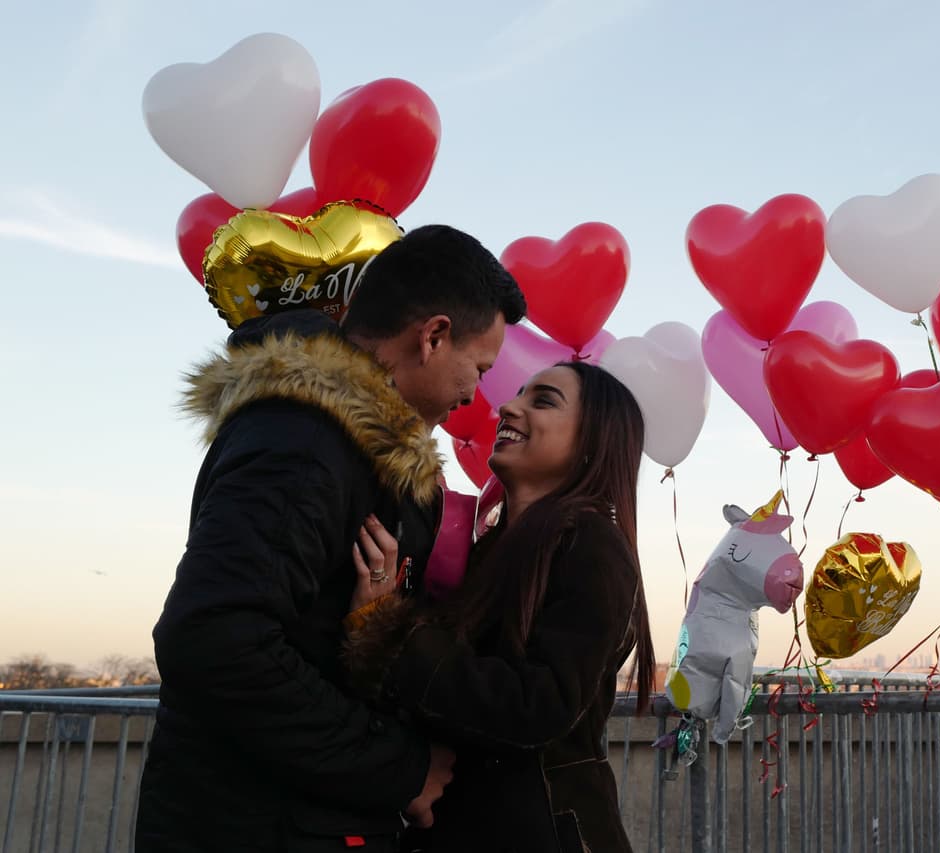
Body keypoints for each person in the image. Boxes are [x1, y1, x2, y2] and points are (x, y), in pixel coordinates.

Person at [136, 225, 527, 852]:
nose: (472, 394)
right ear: (432, 336)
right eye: (475, 368)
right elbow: (214, 639)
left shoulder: (349, 447)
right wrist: (398, 768)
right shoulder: (303, 441)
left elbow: (302, 630)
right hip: (259, 825)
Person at [343, 361, 657, 853]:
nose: (509, 407)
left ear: (595, 440)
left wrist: (388, 627)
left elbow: (539, 706)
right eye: (518, 394)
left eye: (543, 400)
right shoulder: (495, 545)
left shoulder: (592, 543)